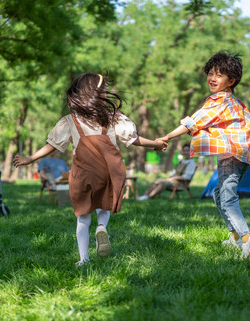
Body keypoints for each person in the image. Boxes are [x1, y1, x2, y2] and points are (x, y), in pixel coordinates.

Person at [13, 73, 166, 266]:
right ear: (98, 94)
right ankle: (101, 226)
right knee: (105, 205)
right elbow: (133, 140)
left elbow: (52, 144)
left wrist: (30, 158)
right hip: (109, 168)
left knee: (83, 217)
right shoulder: (112, 117)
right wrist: (156, 144)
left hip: (83, 170)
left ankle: (84, 259)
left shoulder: (71, 120)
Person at [157, 51, 250, 259]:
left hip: (230, 156)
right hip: (243, 156)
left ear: (231, 80)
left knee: (228, 198)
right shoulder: (235, 102)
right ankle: (235, 236)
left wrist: (167, 136)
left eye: (219, 75)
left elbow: (193, 122)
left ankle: (247, 239)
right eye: (211, 73)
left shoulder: (217, 102)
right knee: (218, 194)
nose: (212, 78)